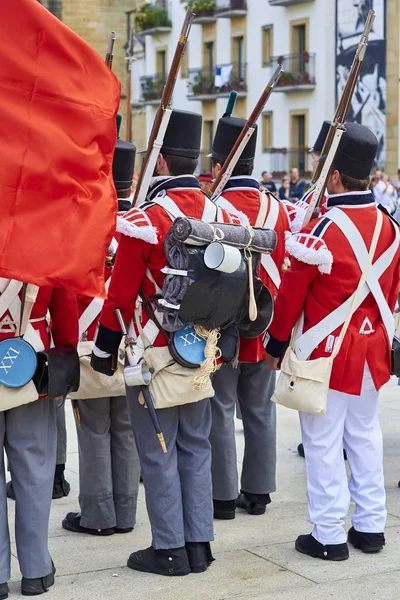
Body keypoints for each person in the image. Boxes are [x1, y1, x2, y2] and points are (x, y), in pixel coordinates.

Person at [91, 109, 241, 577]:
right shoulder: (223, 213)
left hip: (154, 351)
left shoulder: (147, 219)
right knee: (196, 445)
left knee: (158, 449)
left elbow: (119, 294)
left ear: (160, 164)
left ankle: (170, 549)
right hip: (203, 348)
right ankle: (199, 544)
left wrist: (102, 352)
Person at [265, 122, 400, 560]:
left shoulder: (323, 230)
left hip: (325, 354)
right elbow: (391, 294)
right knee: (364, 434)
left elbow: (290, 299)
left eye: (323, 165)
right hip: (371, 350)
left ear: (335, 176)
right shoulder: (390, 226)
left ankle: (328, 535)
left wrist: (274, 345)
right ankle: (371, 526)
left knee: (322, 441)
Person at [209, 117, 290, 520]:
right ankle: (258, 492)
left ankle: (222, 497)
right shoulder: (278, 207)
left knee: (221, 408)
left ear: (222, 165)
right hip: (266, 323)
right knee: (260, 411)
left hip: (223, 326)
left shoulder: (214, 208)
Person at [62, 139, 141, 537]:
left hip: (91, 345)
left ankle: (97, 515)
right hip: (131, 346)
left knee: (93, 431)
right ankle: (126, 513)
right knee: (126, 430)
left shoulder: (81, 228)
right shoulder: (143, 226)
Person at [0, 285, 78, 596]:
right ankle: (36, 569)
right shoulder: (41, 236)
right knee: (34, 469)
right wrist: (66, 352)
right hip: (28, 361)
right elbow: (64, 302)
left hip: (27, 362)